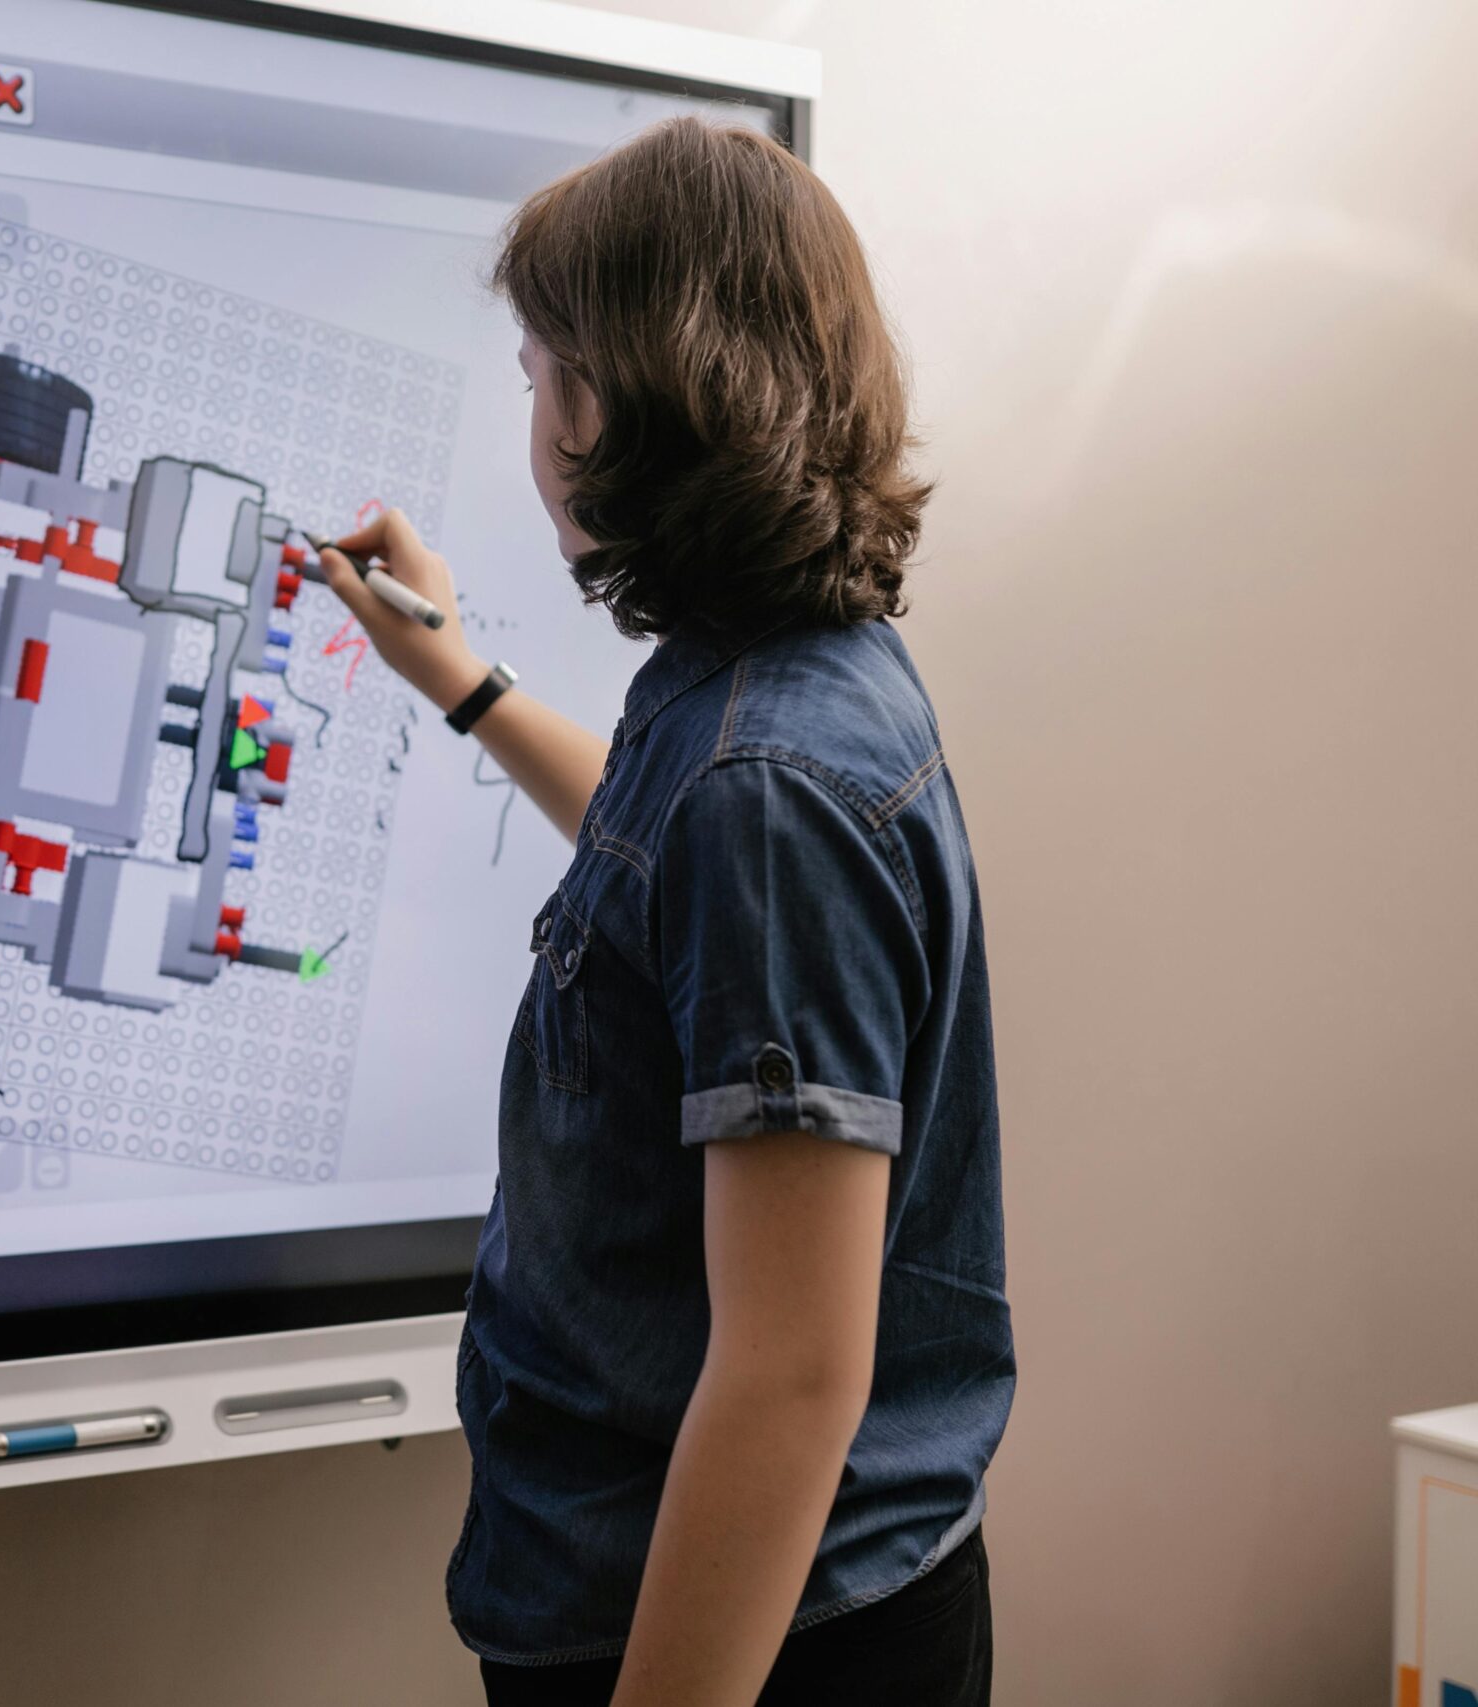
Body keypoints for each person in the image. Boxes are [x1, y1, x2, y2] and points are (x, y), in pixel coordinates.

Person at [317, 118, 1012, 1706]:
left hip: (740, 1635)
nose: (539, 418)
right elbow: (659, 885)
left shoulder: (764, 782)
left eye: (547, 371)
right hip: (754, 1600)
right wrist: (467, 681)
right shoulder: (771, 677)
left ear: (630, 399)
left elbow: (792, 1370)